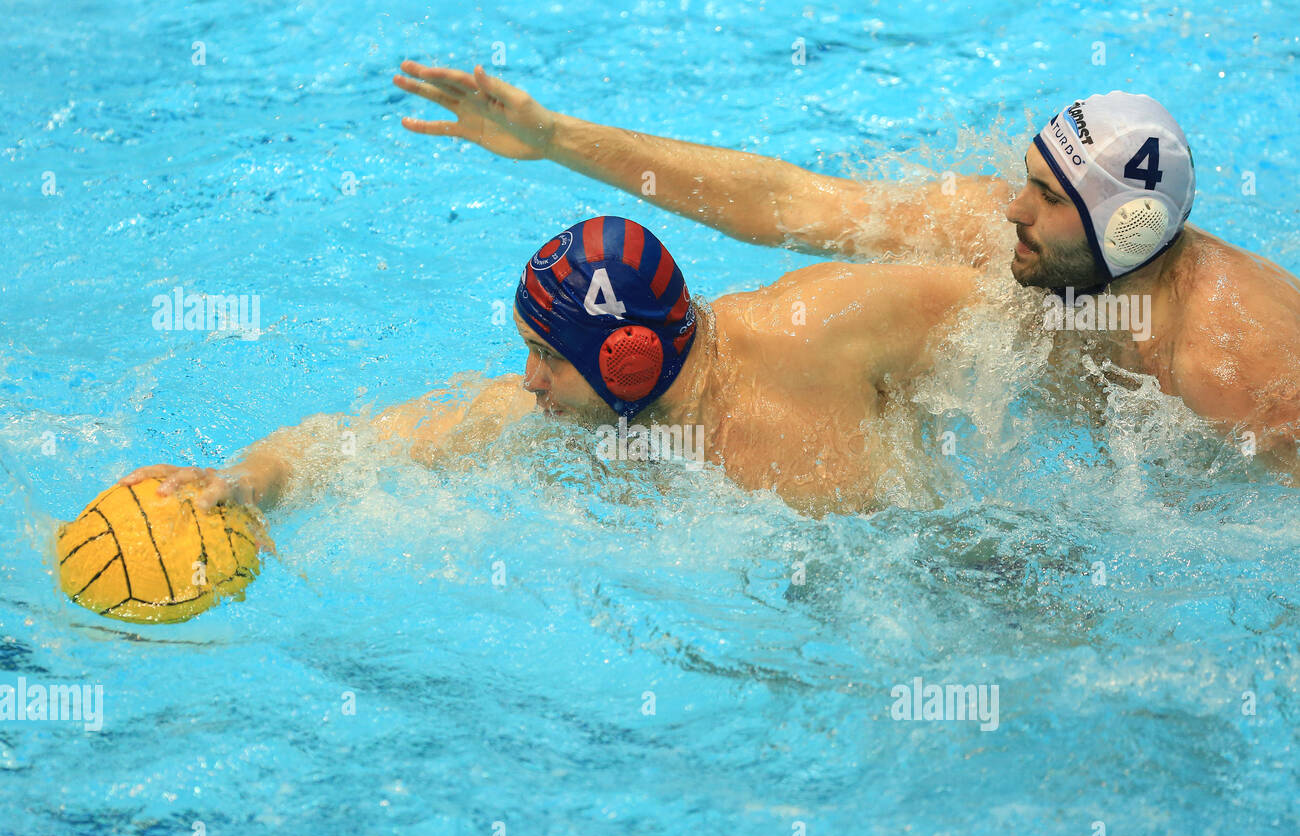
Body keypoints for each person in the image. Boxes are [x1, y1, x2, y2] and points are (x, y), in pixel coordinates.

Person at [393, 65, 1300, 471]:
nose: (1013, 211)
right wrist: (554, 139)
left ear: (1128, 234)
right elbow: (791, 203)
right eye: (1025, 180)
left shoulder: (1236, 367)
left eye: (1049, 201)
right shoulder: (998, 236)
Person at [121, 217, 981, 516]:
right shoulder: (573, 428)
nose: (528, 382)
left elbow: (1017, 309)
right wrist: (255, 476)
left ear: (629, 357)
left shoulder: (821, 329)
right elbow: (366, 445)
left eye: (545, 358)